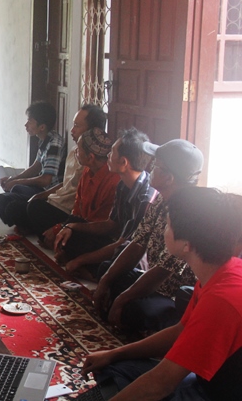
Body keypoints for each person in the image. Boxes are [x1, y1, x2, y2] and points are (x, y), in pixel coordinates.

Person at [80, 187, 242, 401]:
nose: (164, 230)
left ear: (187, 244)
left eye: (167, 224)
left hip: (215, 393)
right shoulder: (222, 270)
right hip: (208, 381)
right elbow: (180, 330)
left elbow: (162, 384)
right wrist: (114, 353)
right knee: (114, 366)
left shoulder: (222, 299)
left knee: (142, 385)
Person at [94, 139, 202, 332]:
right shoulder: (162, 198)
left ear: (169, 177)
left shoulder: (191, 214)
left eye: (155, 166)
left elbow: (162, 270)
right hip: (155, 287)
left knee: (135, 310)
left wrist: (122, 299)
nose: (150, 169)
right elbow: (138, 242)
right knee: (107, 272)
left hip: (175, 296)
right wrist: (105, 281)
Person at [54, 128, 158, 280]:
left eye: (112, 152)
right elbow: (110, 224)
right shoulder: (123, 185)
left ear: (123, 162)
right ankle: (89, 270)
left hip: (136, 255)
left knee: (115, 272)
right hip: (118, 244)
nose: (108, 155)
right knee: (72, 233)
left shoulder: (145, 198)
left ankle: (90, 272)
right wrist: (72, 226)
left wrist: (80, 259)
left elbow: (126, 246)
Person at [2, 104, 107, 233]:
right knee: (6, 201)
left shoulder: (89, 160)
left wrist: (38, 194)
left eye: (77, 126)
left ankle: (39, 227)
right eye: (73, 125)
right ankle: (35, 226)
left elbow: (50, 182)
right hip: (55, 199)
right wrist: (37, 193)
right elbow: (57, 179)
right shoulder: (74, 150)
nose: (72, 130)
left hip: (64, 209)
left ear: (92, 130)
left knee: (28, 206)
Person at [39, 128, 121, 251]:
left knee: (71, 242)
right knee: (53, 234)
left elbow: (99, 225)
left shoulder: (114, 182)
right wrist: (62, 227)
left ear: (91, 157)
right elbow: (77, 209)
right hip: (81, 224)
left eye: (79, 150)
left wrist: (66, 228)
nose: (76, 151)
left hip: (99, 232)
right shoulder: (87, 171)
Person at [0, 101, 66, 225]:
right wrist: (13, 178)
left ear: (42, 127)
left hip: (48, 191)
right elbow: (35, 167)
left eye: (30, 121)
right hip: (41, 186)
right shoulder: (45, 139)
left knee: (15, 190)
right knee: (3, 182)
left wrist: (16, 182)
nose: (26, 125)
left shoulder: (54, 144)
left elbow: (46, 180)